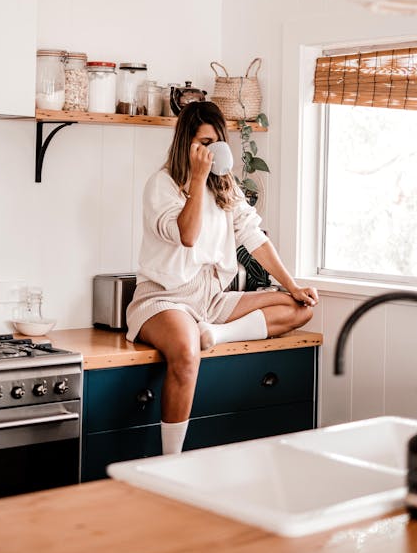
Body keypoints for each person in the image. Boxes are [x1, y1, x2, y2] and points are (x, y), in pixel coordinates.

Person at [125, 101, 318, 456]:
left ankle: (216, 335)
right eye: (203, 142)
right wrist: (197, 180)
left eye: (216, 142)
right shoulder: (162, 185)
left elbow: (255, 239)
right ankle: (172, 461)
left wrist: (292, 286)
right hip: (164, 298)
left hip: (212, 298)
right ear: (186, 143)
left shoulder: (225, 188)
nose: (210, 152)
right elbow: (187, 235)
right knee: (185, 353)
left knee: (300, 309)